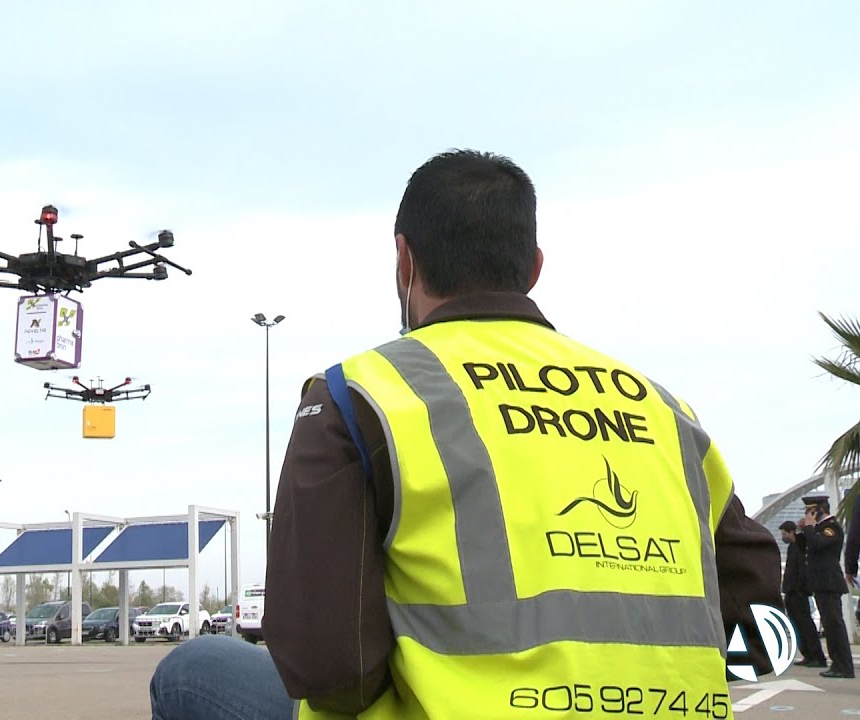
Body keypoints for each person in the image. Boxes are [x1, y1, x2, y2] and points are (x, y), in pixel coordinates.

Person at [148, 149, 784, 720]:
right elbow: (754, 578)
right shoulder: (663, 409)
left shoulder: (359, 394)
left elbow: (325, 666)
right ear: (533, 268)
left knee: (192, 672)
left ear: (405, 260)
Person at [797, 495, 854, 678]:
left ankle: (844, 666)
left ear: (819, 510)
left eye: (810, 511)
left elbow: (818, 543)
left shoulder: (832, 527)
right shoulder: (817, 529)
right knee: (829, 626)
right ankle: (837, 664)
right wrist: (802, 531)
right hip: (820, 583)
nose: (808, 514)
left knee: (835, 625)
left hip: (829, 583)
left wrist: (809, 528)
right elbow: (805, 547)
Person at [780, 519, 826, 667]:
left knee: (806, 625)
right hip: (790, 592)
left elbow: (802, 568)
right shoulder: (791, 548)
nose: (783, 537)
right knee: (796, 625)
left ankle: (816, 655)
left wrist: (800, 588)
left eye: (784, 534)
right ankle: (807, 653)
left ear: (791, 532)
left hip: (799, 592)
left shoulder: (800, 546)